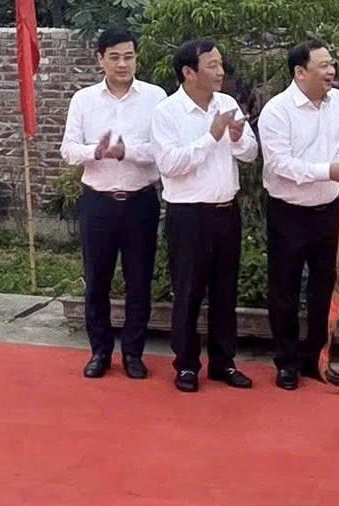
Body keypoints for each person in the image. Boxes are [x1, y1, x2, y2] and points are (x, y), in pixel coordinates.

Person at [257, 40, 339, 390]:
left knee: (323, 289)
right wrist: (328, 171)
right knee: (284, 290)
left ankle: (317, 359)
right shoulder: (277, 110)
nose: (332, 71)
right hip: (288, 213)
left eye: (332, 64)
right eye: (324, 66)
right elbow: (279, 165)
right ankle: (286, 363)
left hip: (327, 212)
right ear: (300, 72)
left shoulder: (338, 102)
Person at [151, 38, 260, 393]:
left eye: (220, 64)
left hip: (226, 212)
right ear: (188, 71)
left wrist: (238, 138)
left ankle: (223, 362)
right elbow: (170, 165)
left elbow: (249, 155)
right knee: (188, 292)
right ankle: (186, 365)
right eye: (212, 65)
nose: (220, 71)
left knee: (225, 292)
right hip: (188, 215)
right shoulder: (167, 112)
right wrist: (211, 137)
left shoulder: (227, 103)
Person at [57, 28, 166, 380]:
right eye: (115, 57)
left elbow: (161, 151)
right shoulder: (84, 99)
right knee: (96, 281)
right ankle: (100, 352)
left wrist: (125, 152)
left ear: (137, 58)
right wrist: (97, 151)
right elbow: (68, 150)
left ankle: (133, 353)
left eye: (129, 56)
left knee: (139, 280)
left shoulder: (155, 97)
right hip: (98, 202)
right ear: (100, 59)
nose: (123, 64)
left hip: (140, 202)